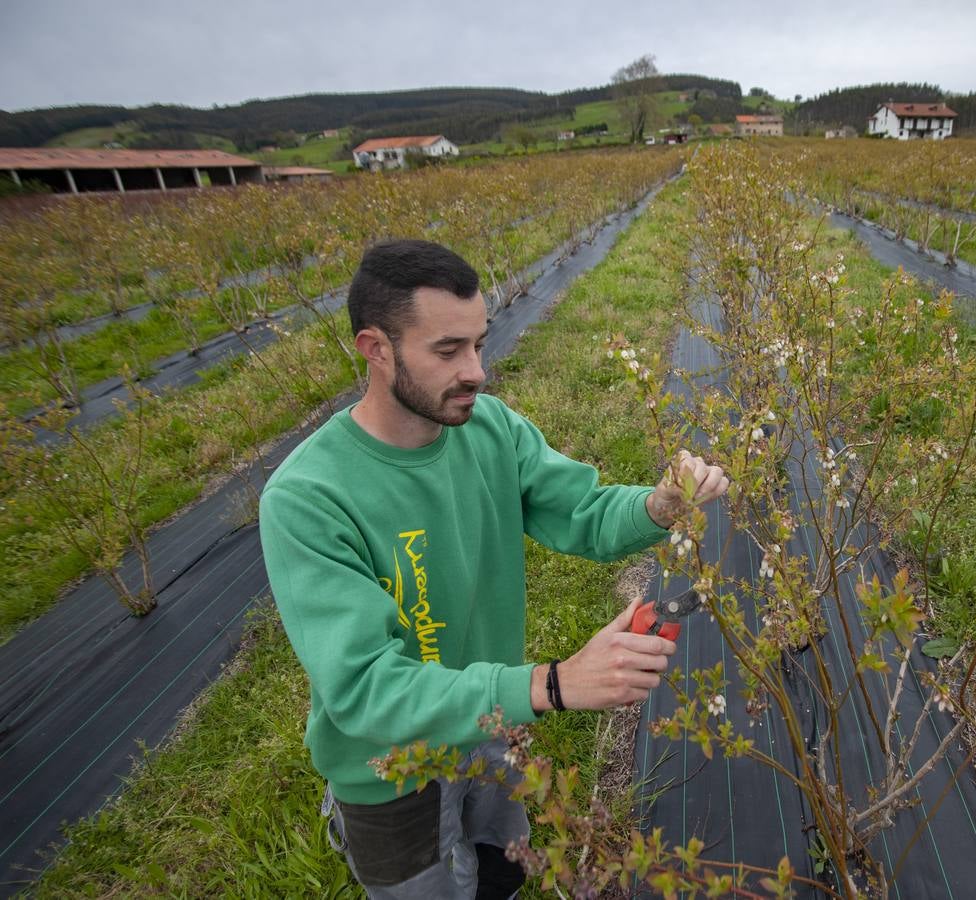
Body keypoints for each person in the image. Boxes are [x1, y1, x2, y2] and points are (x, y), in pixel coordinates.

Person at [258, 239, 728, 898]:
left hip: (493, 728)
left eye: (479, 342)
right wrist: (552, 685)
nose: (477, 370)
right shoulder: (308, 497)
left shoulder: (490, 430)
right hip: (391, 772)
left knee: (500, 869)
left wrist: (657, 504)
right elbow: (365, 689)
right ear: (376, 348)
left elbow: (583, 512)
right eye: (448, 351)